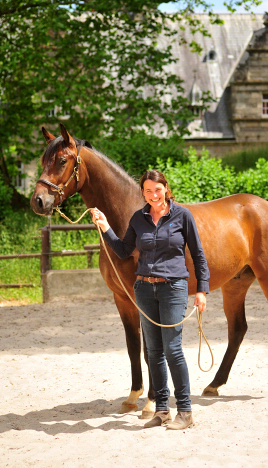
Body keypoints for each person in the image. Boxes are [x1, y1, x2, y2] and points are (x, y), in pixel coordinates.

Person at [91, 169, 209, 430]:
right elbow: (123, 250)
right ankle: (162, 410)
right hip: (144, 288)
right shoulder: (139, 218)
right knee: (153, 352)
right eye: (148, 191)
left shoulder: (182, 216)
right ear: (143, 192)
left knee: (173, 349)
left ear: (166, 188)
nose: (153, 195)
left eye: (157, 189)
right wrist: (106, 226)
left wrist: (202, 290)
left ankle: (186, 412)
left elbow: (198, 254)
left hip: (173, 288)